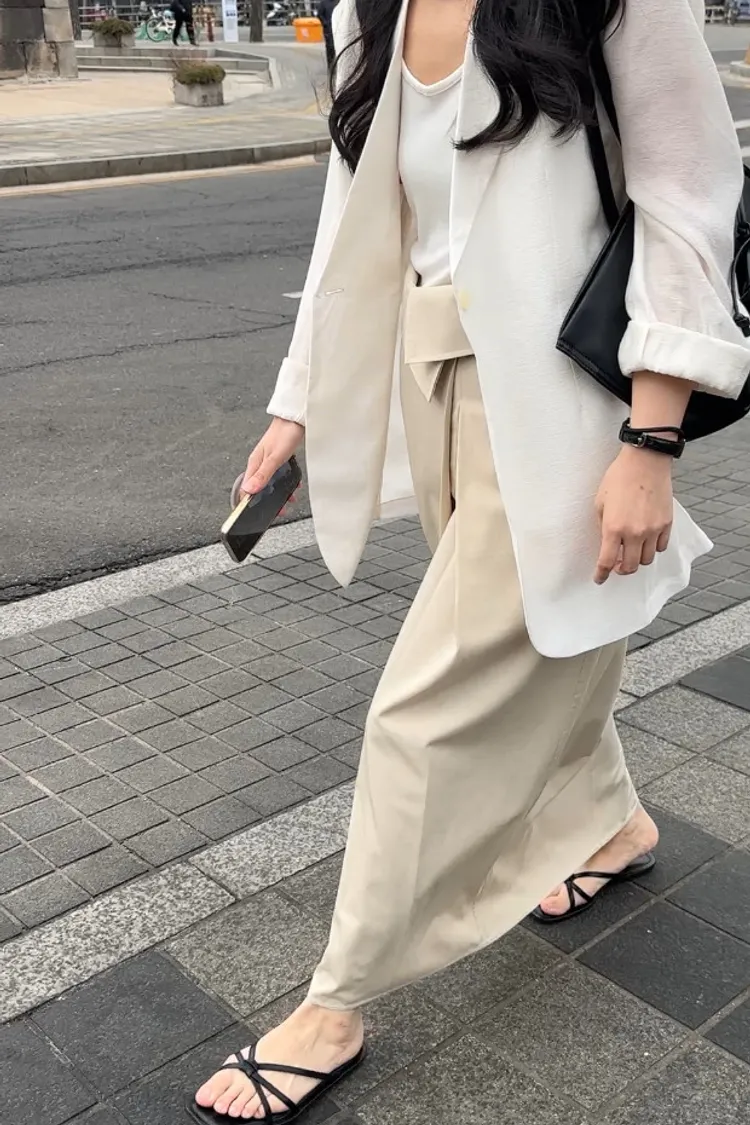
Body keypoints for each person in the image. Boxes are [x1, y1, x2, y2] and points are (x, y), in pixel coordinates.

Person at [190, 0, 750, 1120]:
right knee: (539, 636)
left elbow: (687, 197)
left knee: (429, 704)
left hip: (567, 400)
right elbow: (352, 214)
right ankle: (613, 821)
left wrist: (652, 440)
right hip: (438, 380)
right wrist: (298, 405)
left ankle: (335, 1000)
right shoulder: (369, 9)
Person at [317, 0, 340, 69]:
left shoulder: (338, 2)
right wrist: (325, 23)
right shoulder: (323, 3)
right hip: (328, 29)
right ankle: (331, 66)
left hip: (338, 28)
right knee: (330, 47)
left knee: (338, 47)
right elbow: (319, 15)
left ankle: (338, 64)